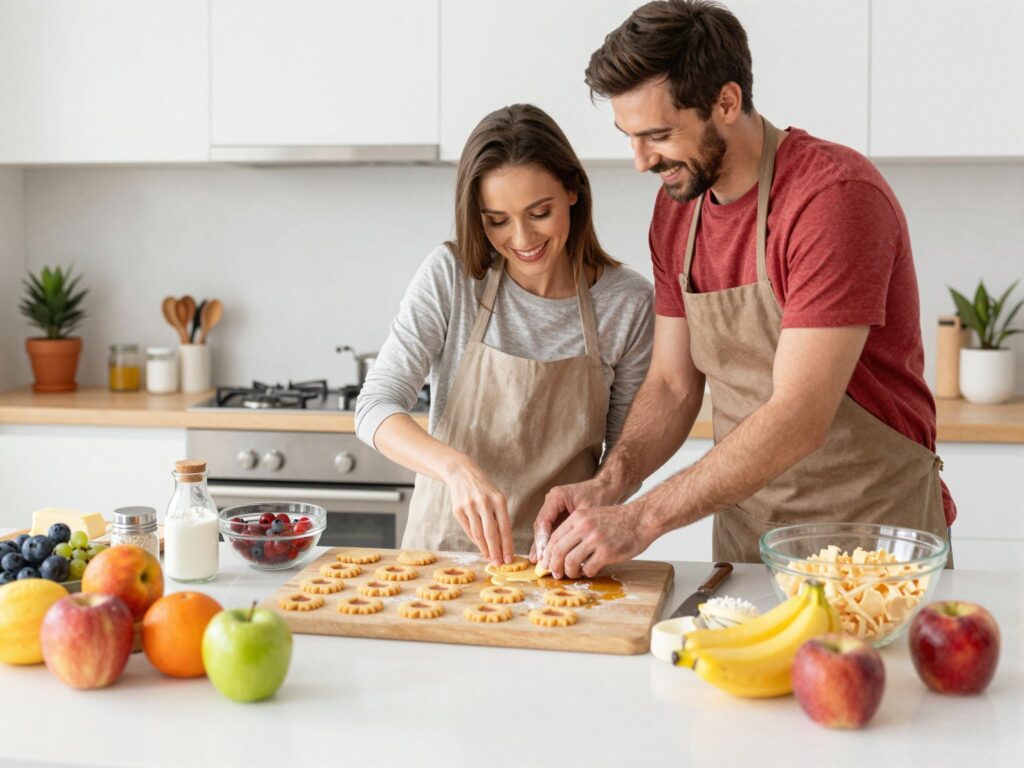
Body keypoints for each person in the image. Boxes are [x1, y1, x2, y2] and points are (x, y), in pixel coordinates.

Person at [533, 0, 955, 578]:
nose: (640, 161)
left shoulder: (832, 199)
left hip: (871, 541)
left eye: (657, 135)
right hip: (748, 542)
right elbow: (673, 384)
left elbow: (800, 414)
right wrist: (611, 482)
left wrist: (642, 519)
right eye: (629, 136)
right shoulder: (677, 209)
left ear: (726, 102)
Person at [355, 103, 654, 565]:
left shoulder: (627, 302)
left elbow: (623, 457)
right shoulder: (453, 276)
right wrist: (455, 469)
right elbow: (373, 407)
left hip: (562, 562)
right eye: (497, 220)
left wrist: (603, 504)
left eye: (539, 212)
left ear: (572, 190)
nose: (521, 238)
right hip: (444, 557)